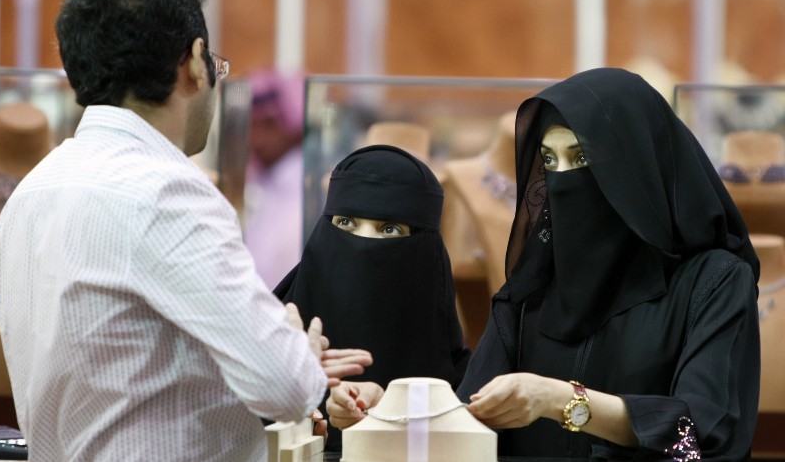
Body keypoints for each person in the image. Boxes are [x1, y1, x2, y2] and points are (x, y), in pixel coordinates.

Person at [0, 0, 370, 462]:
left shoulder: (33, 192)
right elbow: (286, 388)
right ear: (195, 61)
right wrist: (296, 350)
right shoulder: (169, 190)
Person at [327, 68, 761, 460]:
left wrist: (564, 401)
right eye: (550, 161)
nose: (564, 179)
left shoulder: (713, 283)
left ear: (636, 166)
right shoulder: (533, 291)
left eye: (582, 157)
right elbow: (469, 419)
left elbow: (699, 439)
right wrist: (381, 406)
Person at [274, 144, 471, 452]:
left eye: (389, 229)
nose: (363, 244)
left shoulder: (465, 392)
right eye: (346, 223)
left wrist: (391, 411)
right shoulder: (272, 352)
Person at [244, 69, 306, 288]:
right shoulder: (259, 183)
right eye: (251, 124)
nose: (257, 138)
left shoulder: (309, 184)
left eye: (269, 124)